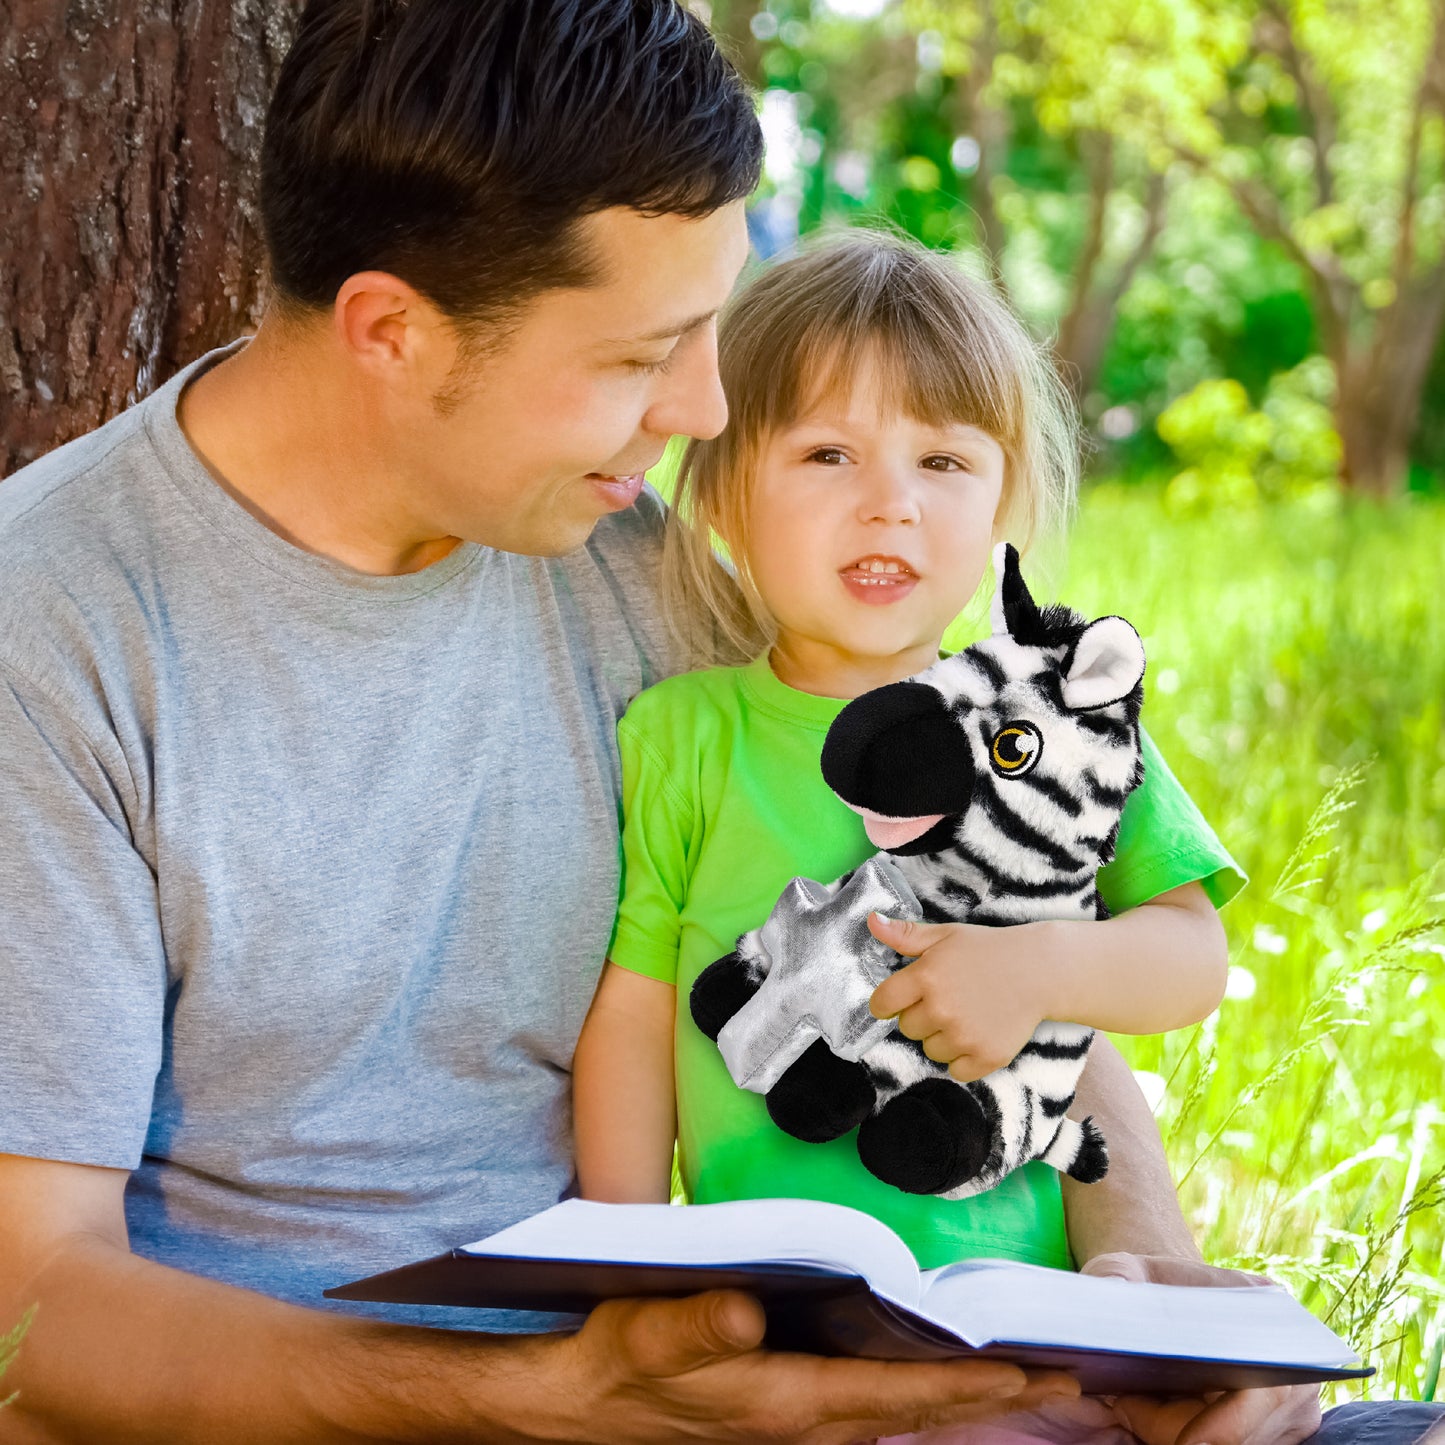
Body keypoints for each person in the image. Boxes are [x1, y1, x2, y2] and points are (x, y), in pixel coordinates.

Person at [0, 0, 1437, 1440]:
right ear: (391, 330)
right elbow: (33, 1302)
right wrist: (530, 1402)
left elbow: (981, 956)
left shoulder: (654, 577)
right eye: (644, 355)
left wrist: (1146, 1297)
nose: (702, 412)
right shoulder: (57, 625)